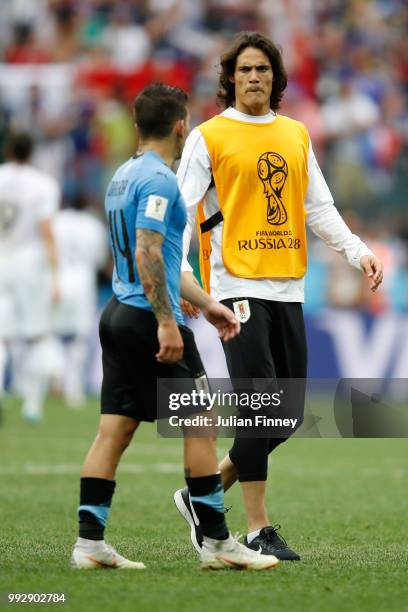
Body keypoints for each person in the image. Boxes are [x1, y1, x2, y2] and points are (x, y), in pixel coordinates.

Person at [174, 32, 384, 561]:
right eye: (244, 70)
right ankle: (256, 530)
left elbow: (318, 207)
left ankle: (202, 494)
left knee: (286, 415)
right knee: (258, 409)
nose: (253, 78)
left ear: (276, 78)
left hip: (289, 286)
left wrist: (358, 251)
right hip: (235, 286)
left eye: (262, 70)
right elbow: (180, 210)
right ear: (229, 78)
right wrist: (179, 280)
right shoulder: (210, 137)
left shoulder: (294, 135)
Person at [71, 82, 280, 571]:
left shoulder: (121, 176)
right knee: (202, 425)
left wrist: (206, 304)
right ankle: (219, 544)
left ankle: (89, 544)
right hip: (149, 320)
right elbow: (147, 249)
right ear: (181, 126)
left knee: (114, 432)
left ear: (139, 126)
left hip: (118, 315)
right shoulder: (161, 181)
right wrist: (167, 320)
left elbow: (155, 258)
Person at [0, 132, 60, 424]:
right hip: (29, 263)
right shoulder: (42, 184)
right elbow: (47, 231)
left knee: (1, 336)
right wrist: (55, 274)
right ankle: (32, 405)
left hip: (1, 259)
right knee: (38, 336)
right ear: (31, 153)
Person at [52, 196, 109, 407]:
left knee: (53, 335)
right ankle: (72, 390)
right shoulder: (93, 224)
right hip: (83, 281)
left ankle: (54, 379)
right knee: (79, 339)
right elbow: (101, 260)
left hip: (58, 279)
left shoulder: (57, 219)